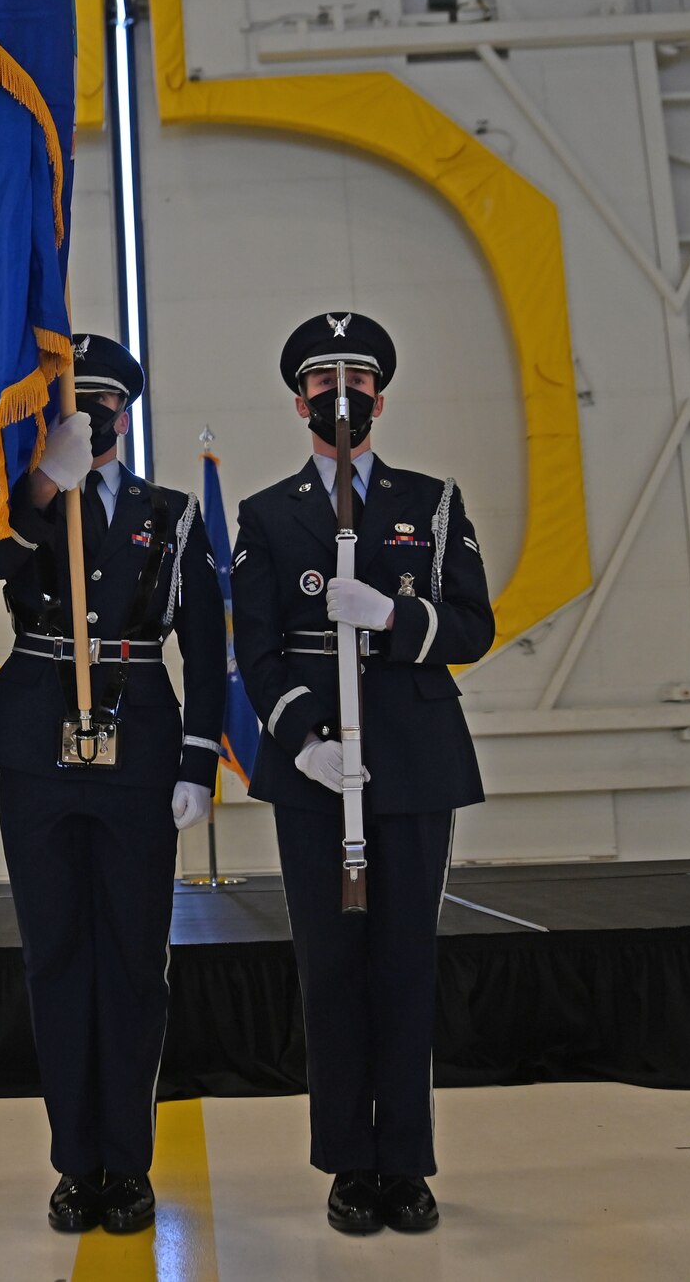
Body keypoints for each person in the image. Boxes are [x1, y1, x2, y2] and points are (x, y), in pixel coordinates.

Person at [230, 312, 494, 1237]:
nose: (341, 393)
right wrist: (302, 739)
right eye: (321, 377)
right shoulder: (266, 513)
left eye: (358, 376)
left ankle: (406, 1162)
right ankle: (349, 1159)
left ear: (380, 394)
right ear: (299, 397)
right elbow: (256, 649)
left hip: (413, 756)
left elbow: (473, 624)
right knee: (332, 965)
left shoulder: (434, 500)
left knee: (405, 961)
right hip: (315, 769)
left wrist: (393, 615)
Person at [0, 335, 224, 1237]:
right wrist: (44, 484)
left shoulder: (172, 512)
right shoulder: (19, 503)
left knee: (131, 958)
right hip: (41, 733)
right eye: (78, 402)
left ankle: (130, 1158)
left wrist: (198, 760)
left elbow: (206, 642)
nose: (95, 414)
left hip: (139, 739)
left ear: (128, 410)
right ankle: (76, 1162)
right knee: (54, 956)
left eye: (108, 400)